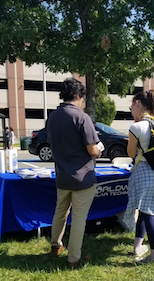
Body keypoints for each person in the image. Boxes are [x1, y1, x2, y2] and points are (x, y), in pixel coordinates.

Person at [47, 77, 101, 269]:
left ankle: (55, 246)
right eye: (84, 99)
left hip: (62, 175)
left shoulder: (52, 116)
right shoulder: (81, 117)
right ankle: (73, 259)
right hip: (82, 178)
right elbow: (93, 150)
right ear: (79, 96)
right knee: (78, 218)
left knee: (60, 212)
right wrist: (99, 150)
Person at [123, 90, 154, 265]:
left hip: (144, 174)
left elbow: (131, 153)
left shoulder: (136, 127)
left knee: (147, 214)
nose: (131, 111)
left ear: (137, 104)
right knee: (145, 211)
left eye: (131, 107)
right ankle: (137, 246)